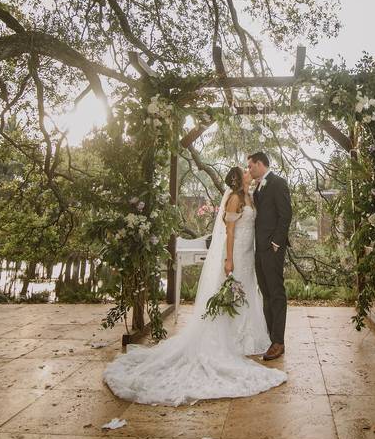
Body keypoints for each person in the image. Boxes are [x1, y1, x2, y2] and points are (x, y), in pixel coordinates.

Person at [103, 166, 286, 405]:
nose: (248, 172)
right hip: (236, 254)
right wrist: (229, 258)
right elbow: (230, 232)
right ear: (238, 179)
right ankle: (230, 337)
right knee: (232, 294)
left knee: (247, 294)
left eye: (249, 168)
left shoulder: (250, 195)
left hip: (248, 254)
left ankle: (246, 337)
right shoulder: (233, 199)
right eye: (245, 171)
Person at [247, 151, 292, 361]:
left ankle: (278, 342)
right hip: (259, 249)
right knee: (266, 293)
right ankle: (269, 337)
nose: (249, 170)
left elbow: (286, 215)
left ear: (260, 164)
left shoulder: (278, 183)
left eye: (251, 166)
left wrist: (276, 243)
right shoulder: (257, 187)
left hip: (272, 249)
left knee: (276, 293)